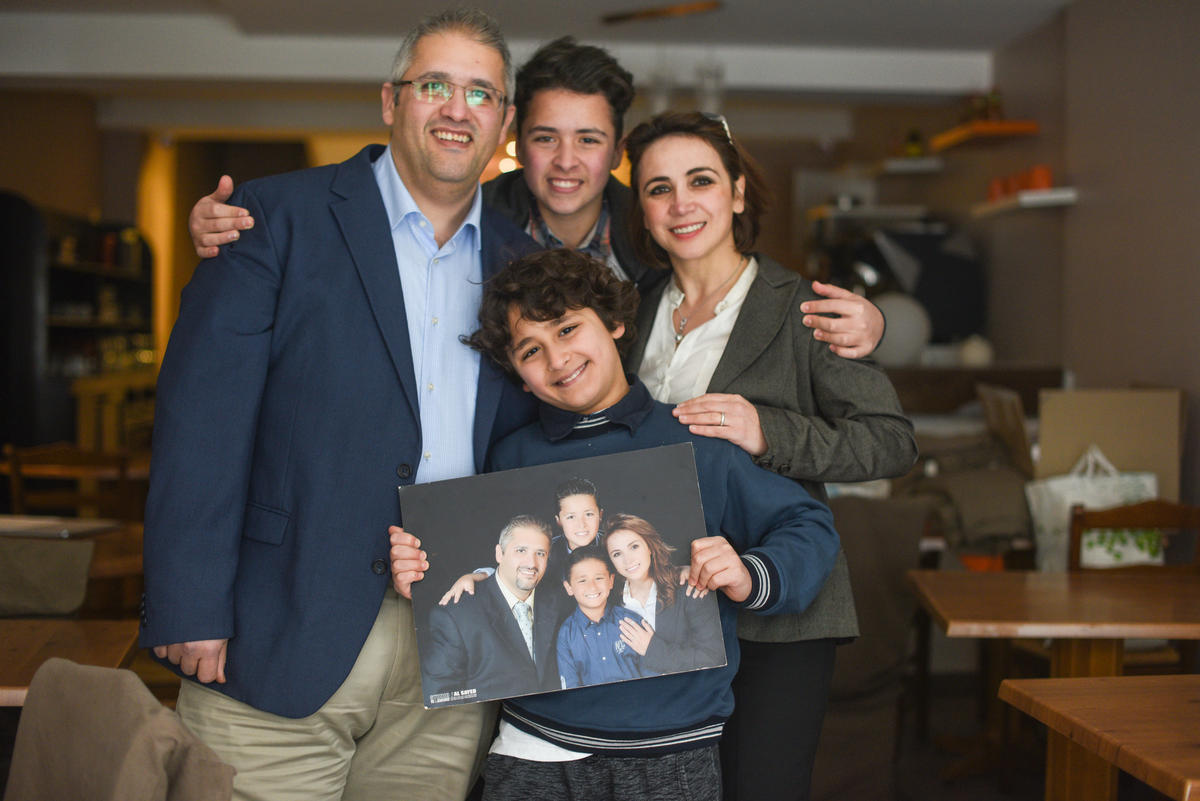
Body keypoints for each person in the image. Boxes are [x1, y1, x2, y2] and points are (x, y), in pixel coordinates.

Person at [139, 9, 537, 801]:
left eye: (480, 93)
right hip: (279, 622)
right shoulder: (271, 218)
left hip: (455, 646)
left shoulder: (527, 265)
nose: (457, 109)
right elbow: (201, 423)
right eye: (435, 85)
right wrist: (187, 603)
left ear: (505, 121)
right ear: (392, 101)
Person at [393, 247, 839, 800]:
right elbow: (501, 563)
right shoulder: (509, 459)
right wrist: (432, 569)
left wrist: (750, 572)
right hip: (536, 743)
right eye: (532, 349)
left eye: (569, 329)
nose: (557, 359)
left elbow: (809, 524)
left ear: (616, 324)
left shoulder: (696, 444)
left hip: (671, 747)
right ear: (517, 375)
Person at [185, 38, 887, 358]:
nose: (565, 162)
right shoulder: (464, 216)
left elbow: (737, 300)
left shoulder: (657, 231)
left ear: (617, 152)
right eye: (546, 137)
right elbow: (357, 239)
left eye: (589, 140)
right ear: (515, 135)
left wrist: (870, 327)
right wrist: (229, 225)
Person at [622, 110, 919, 801]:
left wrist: (769, 433)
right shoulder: (630, 309)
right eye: (658, 188)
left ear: (735, 193)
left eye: (700, 180)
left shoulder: (802, 308)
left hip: (780, 608)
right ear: (642, 209)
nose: (680, 203)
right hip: (663, 602)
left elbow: (892, 440)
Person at [424, 516, 561, 706]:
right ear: (499, 553)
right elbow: (439, 696)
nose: (531, 563)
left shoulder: (557, 601)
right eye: (521, 550)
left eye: (541, 553)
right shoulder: (456, 616)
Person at [602, 513, 725, 676]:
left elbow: (713, 658)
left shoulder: (687, 589)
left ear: (650, 547)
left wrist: (652, 649)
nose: (628, 560)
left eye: (634, 547)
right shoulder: (610, 603)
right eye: (617, 554)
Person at [555, 545, 647, 690]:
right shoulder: (566, 634)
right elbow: (570, 686)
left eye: (599, 578)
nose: (592, 587)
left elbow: (652, 672)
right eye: (582, 580)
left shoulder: (631, 621)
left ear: (611, 581)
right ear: (569, 587)